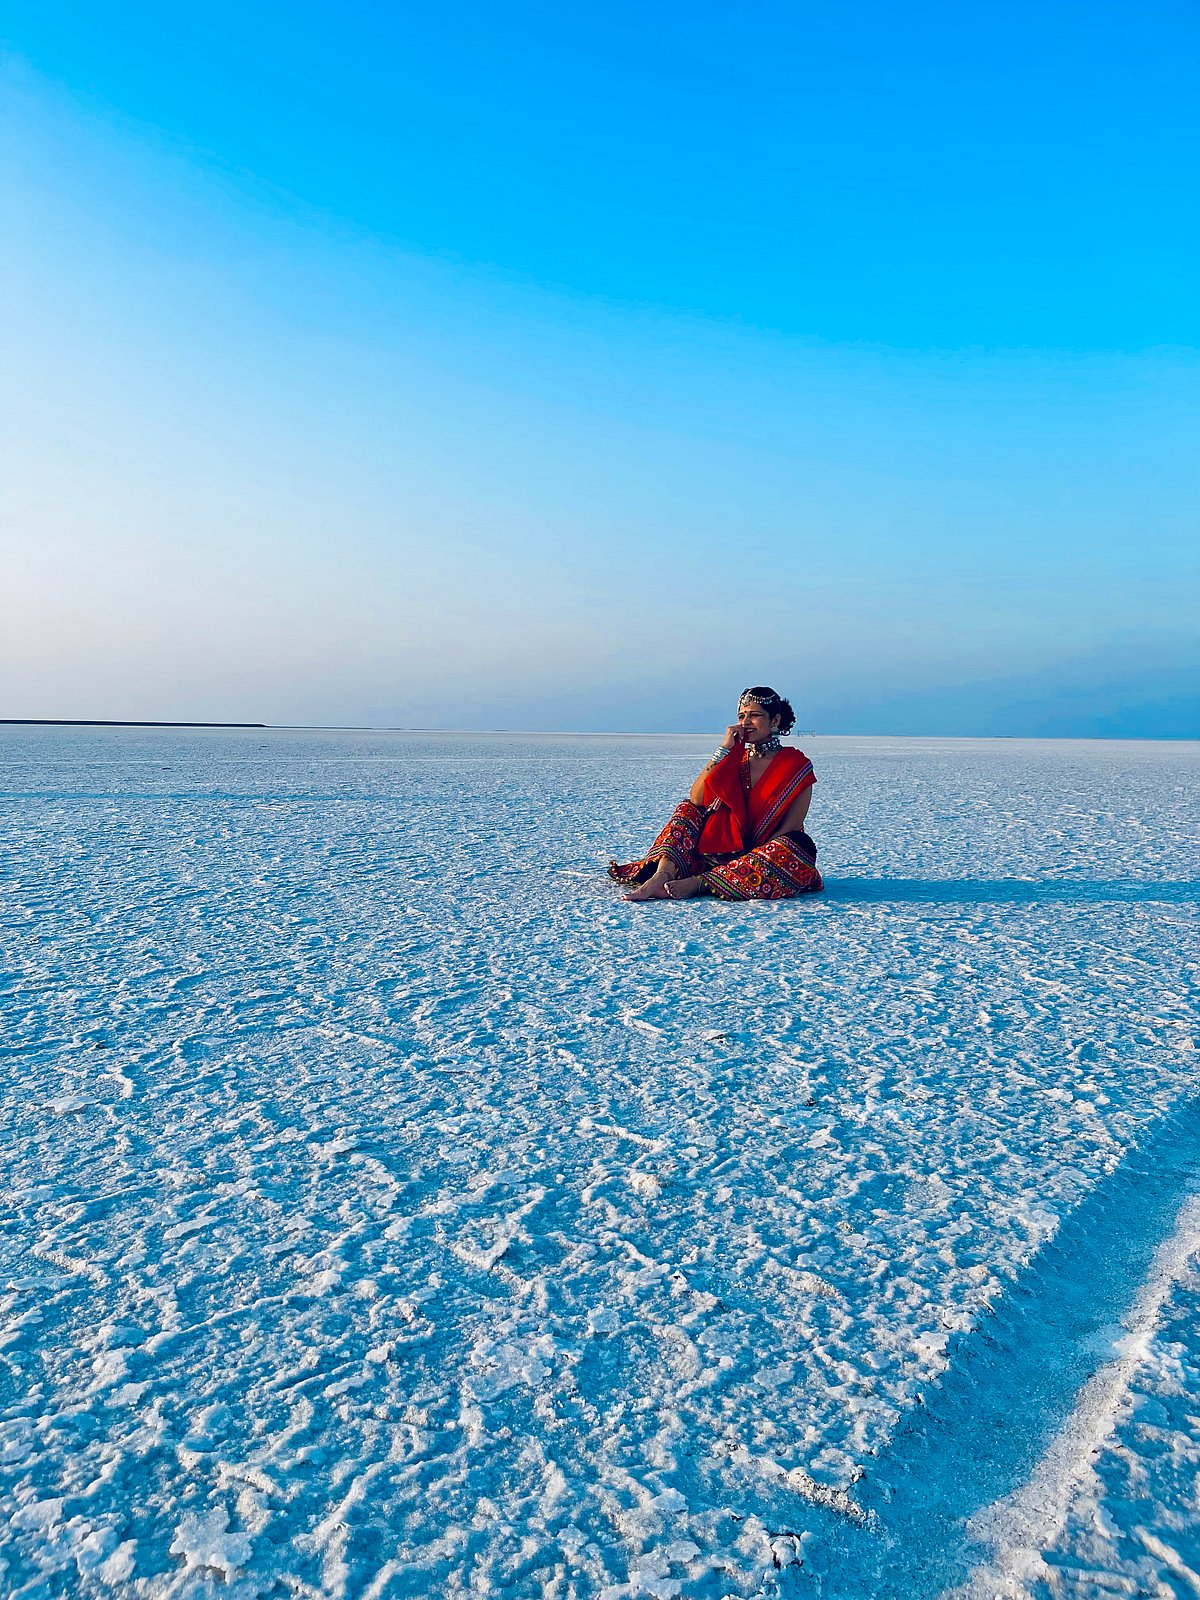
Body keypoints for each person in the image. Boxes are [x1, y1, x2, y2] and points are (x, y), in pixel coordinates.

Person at [609, 687, 823, 902]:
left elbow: (790, 828)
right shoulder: (734, 757)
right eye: (742, 716)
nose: (746, 722)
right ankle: (661, 876)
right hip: (717, 854)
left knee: (796, 844)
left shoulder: (796, 765)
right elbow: (698, 798)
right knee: (687, 810)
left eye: (755, 715)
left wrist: (753, 861)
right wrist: (724, 750)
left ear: (775, 720)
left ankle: (700, 883)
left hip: (764, 860)